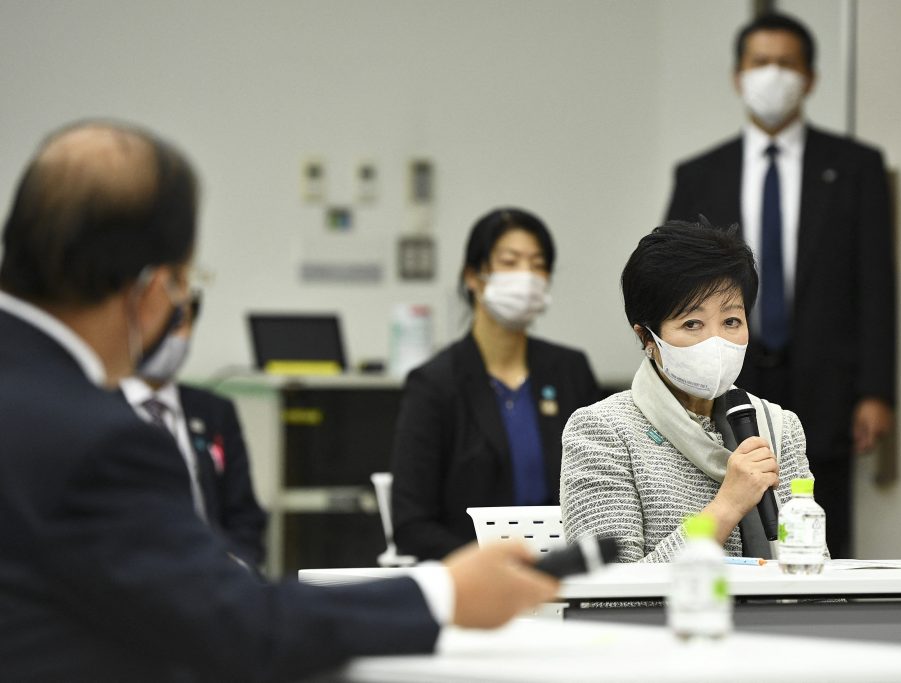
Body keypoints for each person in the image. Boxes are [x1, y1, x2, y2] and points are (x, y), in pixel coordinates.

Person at [0, 120, 557, 682]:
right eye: (181, 287)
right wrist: (445, 593)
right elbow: (239, 629)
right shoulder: (98, 440)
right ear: (149, 290)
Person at [663, 12, 896, 558]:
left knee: (820, 526)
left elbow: (877, 285)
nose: (772, 75)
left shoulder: (856, 167)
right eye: (760, 63)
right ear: (737, 75)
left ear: (810, 78)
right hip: (722, 374)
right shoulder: (699, 173)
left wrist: (877, 390)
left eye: (786, 64)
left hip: (826, 380)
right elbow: (672, 281)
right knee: (726, 512)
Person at [561, 221, 817, 562]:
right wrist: (727, 505)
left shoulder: (777, 426)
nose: (716, 341)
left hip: (767, 617)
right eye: (692, 324)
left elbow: (810, 569)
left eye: (731, 322)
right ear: (646, 338)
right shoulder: (603, 432)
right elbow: (608, 595)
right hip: (671, 616)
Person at [391, 208, 601, 561]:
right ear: (473, 276)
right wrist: (490, 566)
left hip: (565, 574)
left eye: (538, 264)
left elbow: (599, 489)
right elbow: (412, 525)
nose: (527, 276)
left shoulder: (570, 371)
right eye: (510, 261)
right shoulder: (434, 384)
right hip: (472, 580)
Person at [121, 290, 268, 568]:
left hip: (214, 579)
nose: (168, 335)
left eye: (179, 323)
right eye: (158, 320)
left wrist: (238, 568)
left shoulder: (214, 411)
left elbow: (244, 516)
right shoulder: (97, 405)